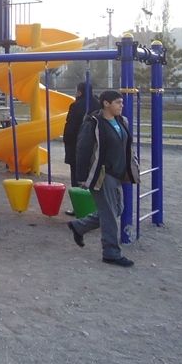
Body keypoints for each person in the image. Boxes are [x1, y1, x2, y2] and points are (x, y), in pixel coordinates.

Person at [67, 90, 140, 267]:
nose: (121, 106)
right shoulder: (94, 123)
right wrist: (83, 177)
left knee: (117, 209)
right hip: (102, 174)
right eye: (118, 103)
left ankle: (80, 226)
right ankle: (111, 252)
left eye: (121, 103)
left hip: (117, 174)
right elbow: (83, 150)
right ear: (106, 104)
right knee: (109, 215)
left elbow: (127, 147)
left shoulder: (121, 121)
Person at [63, 82, 98, 216]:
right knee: (93, 174)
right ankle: (94, 205)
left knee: (77, 175)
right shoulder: (98, 103)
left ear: (80, 92)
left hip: (77, 145)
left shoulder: (76, 105)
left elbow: (70, 127)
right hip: (95, 145)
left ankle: (78, 206)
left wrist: (67, 141)